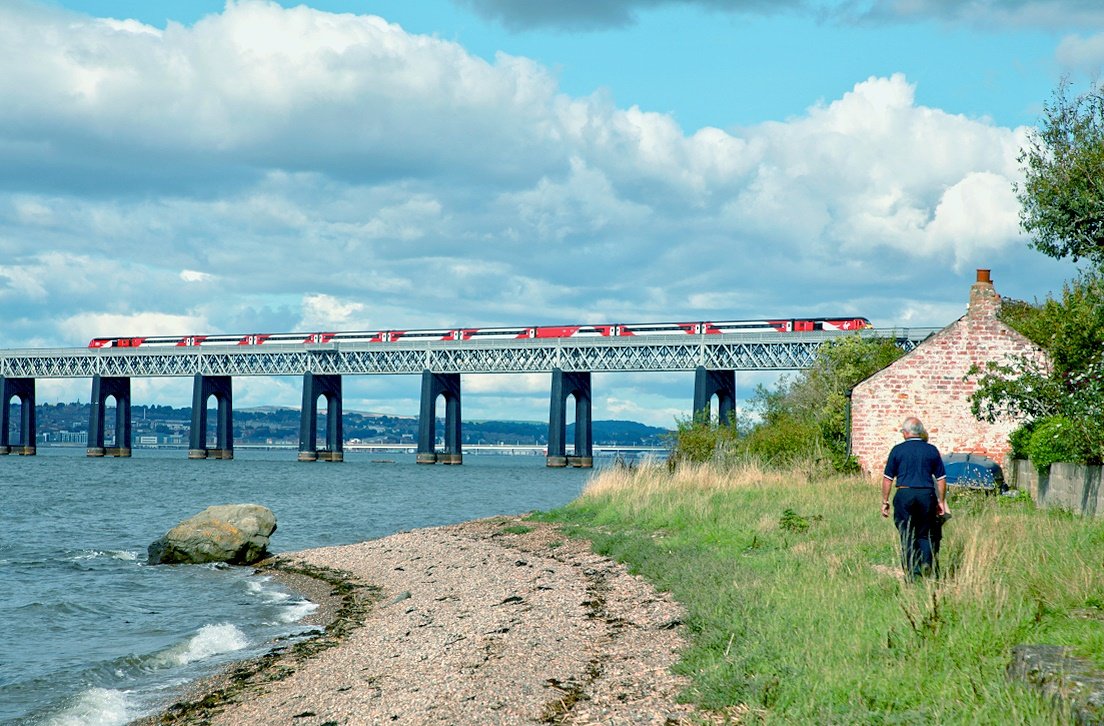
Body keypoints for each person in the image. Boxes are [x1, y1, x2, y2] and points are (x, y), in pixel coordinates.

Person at [881, 417, 948, 579]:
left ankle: (911, 573)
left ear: (905, 433)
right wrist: (940, 501)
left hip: (905, 493)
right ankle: (927, 566)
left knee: (907, 534)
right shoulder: (931, 450)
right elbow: (941, 479)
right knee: (924, 534)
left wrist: (885, 501)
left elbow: (887, 478)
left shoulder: (897, 450)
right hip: (926, 494)